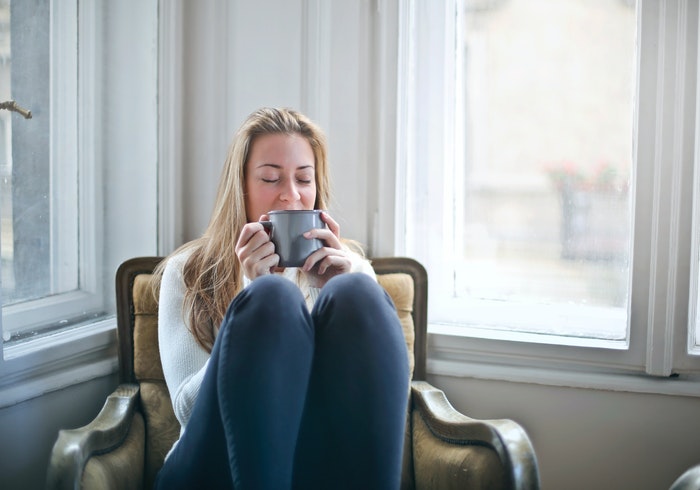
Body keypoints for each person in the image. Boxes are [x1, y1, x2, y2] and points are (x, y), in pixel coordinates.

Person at [153, 107, 410, 490]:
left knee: (356, 291)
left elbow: (382, 406)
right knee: (272, 297)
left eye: (304, 179)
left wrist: (329, 293)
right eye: (271, 178)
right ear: (240, 186)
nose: (291, 196)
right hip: (210, 464)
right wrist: (249, 292)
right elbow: (188, 411)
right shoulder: (187, 271)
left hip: (314, 464)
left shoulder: (351, 268)